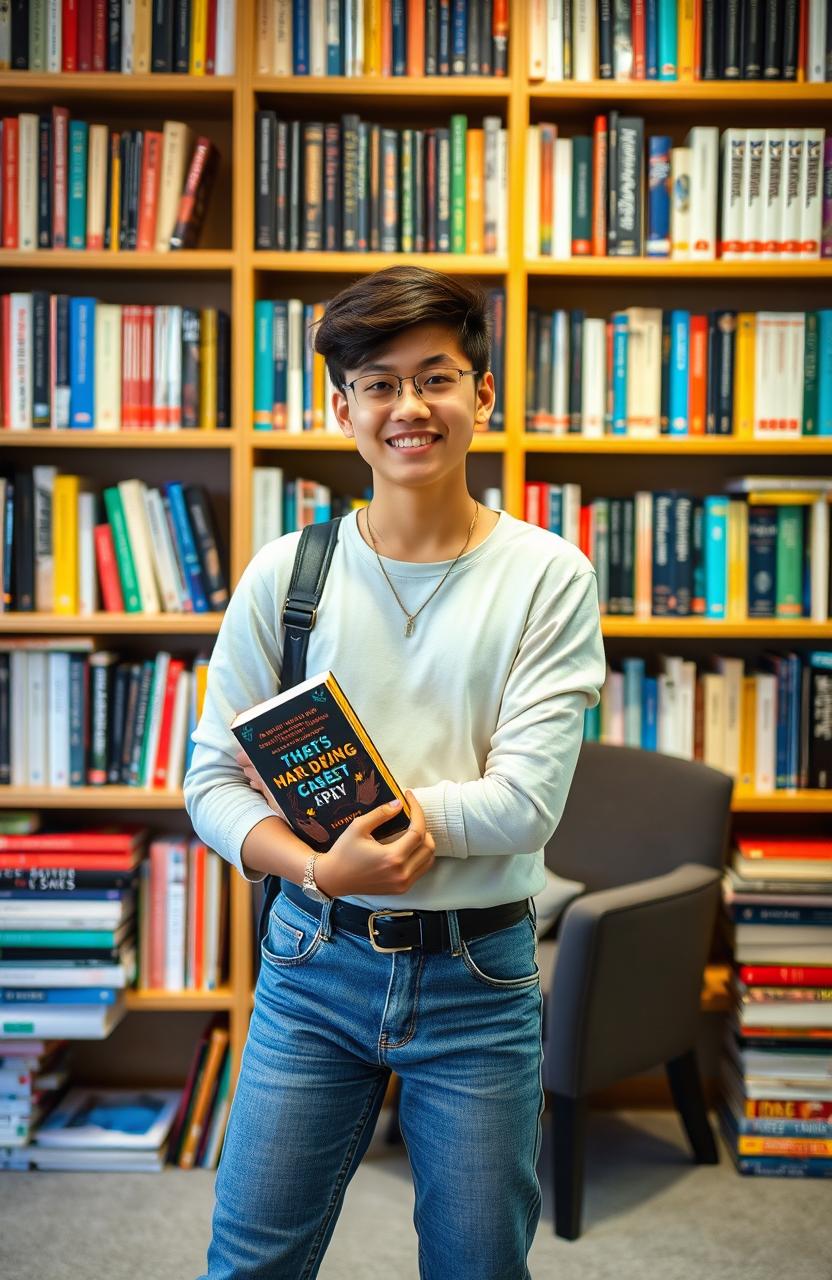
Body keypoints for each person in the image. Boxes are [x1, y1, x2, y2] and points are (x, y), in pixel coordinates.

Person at [184, 265, 605, 1280]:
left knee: (476, 1265)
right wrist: (324, 869)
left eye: (437, 377)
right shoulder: (286, 574)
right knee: (250, 1261)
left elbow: (525, 801)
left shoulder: (547, 575)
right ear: (344, 408)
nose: (408, 407)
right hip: (309, 964)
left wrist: (390, 825)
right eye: (378, 382)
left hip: (479, 977)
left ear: (482, 396)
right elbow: (210, 782)